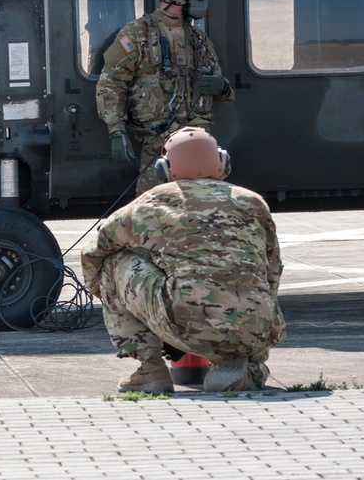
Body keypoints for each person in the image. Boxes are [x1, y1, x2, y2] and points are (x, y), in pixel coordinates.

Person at [80, 128, 286, 393]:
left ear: (165, 169)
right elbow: (273, 271)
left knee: (113, 264)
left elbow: (96, 250)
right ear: (223, 164)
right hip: (259, 326)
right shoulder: (253, 202)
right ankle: (247, 365)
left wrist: (103, 292)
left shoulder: (153, 202)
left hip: (186, 322)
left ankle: (150, 370)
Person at [95, 0, 234, 194]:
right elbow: (111, 83)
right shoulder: (137, 33)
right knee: (154, 211)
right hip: (158, 147)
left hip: (200, 147)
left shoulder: (199, 40)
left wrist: (222, 88)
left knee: (205, 213)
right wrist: (116, 130)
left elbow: (223, 90)